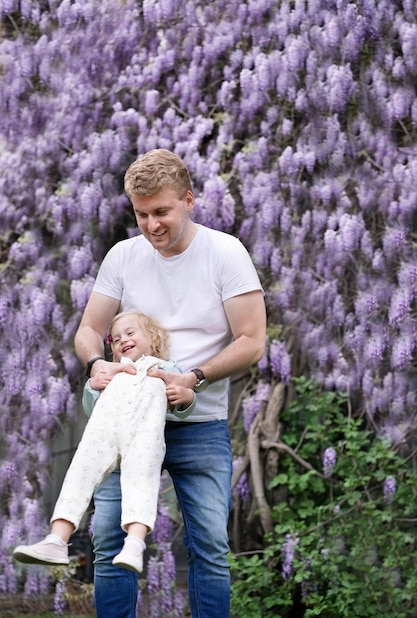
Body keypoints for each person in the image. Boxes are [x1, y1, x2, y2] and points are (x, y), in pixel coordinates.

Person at [73, 148, 266, 618]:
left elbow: (252, 340)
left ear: (189, 200)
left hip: (197, 422)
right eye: (141, 214)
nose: (152, 224)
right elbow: (87, 330)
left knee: (210, 550)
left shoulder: (225, 253)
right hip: (128, 421)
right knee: (112, 542)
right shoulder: (123, 256)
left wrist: (193, 378)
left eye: (162, 211)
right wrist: (96, 364)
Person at [13, 311, 195, 574]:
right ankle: (57, 540)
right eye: (115, 339)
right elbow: (91, 407)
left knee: (141, 481)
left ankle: (134, 544)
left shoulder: (166, 369)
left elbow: (183, 403)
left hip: (143, 436)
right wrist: (93, 384)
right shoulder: (111, 372)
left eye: (130, 333)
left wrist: (186, 396)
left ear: (153, 338)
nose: (122, 341)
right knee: (78, 475)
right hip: (103, 435)